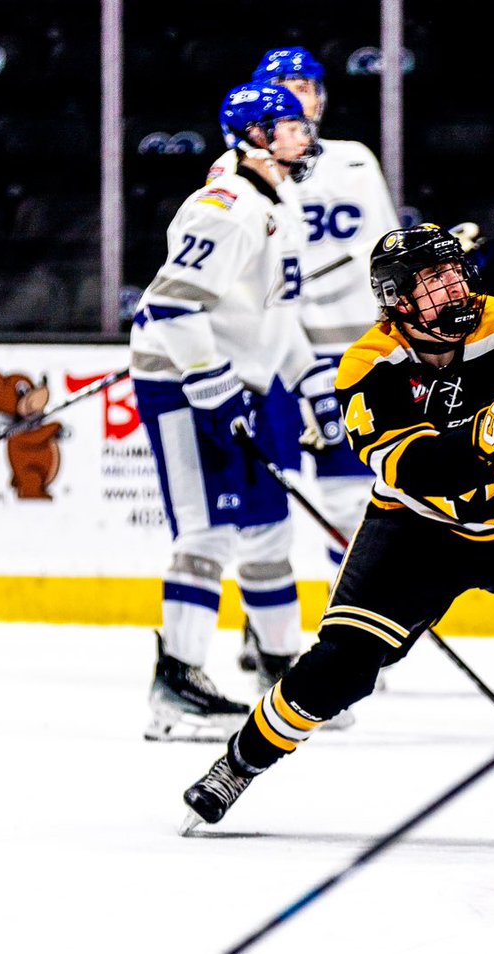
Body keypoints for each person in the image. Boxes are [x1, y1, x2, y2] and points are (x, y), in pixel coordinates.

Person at [180, 223, 494, 841]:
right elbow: (415, 469)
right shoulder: (366, 368)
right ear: (397, 300)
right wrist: (481, 437)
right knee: (341, 669)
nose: (454, 289)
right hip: (420, 532)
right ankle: (240, 762)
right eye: (433, 281)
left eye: (455, 273)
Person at [131, 83, 337, 742]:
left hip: (244, 381)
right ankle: (177, 685)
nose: (305, 135)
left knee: (271, 529)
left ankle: (282, 672)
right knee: (206, 533)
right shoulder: (227, 206)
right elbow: (170, 307)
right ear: (254, 136)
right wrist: (211, 381)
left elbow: (273, 315)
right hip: (187, 385)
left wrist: (311, 381)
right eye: (290, 126)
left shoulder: (284, 200)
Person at [207, 47, 400, 676]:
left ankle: (350, 635)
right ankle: (265, 628)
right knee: (270, 503)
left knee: (350, 502)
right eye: (287, 87)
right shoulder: (234, 174)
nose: (303, 96)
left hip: (349, 356)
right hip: (274, 359)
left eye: (310, 85)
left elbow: (381, 246)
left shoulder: (352, 160)